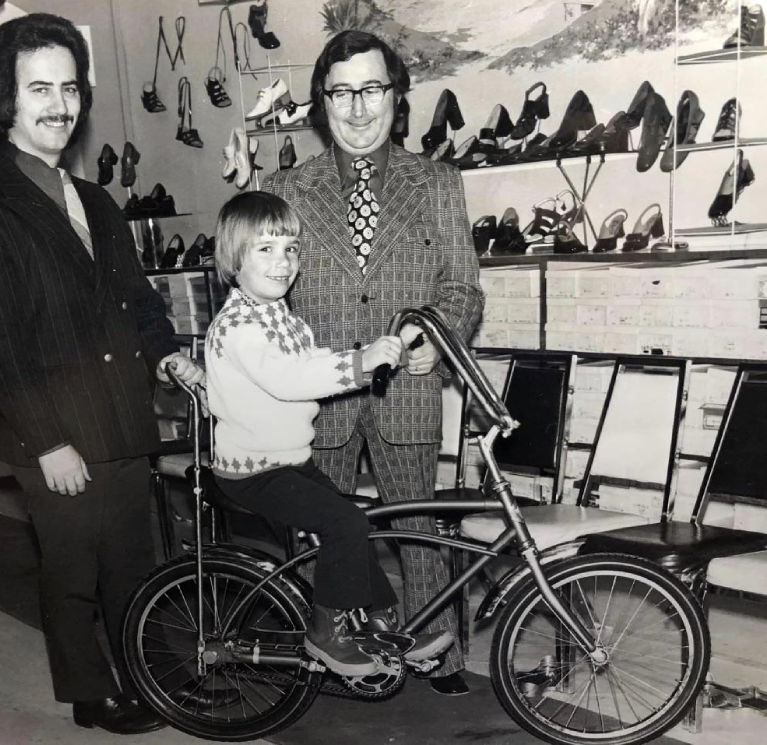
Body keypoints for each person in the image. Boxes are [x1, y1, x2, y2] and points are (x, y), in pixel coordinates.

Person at [0, 13, 201, 735]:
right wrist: (50, 439)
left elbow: (138, 301)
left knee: (133, 564)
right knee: (74, 574)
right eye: (39, 89)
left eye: (70, 87)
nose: (59, 104)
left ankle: (155, 673)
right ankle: (91, 693)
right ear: (6, 101)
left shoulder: (96, 201)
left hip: (118, 415)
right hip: (54, 432)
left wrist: (169, 354)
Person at [262, 30, 484, 695]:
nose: (358, 109)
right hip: (319, 394)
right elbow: (262, 294)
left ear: (396, 96)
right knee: (314, 532)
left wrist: (434, 341)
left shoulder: (439, 183)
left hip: (406, 390)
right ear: (321, 103)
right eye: (341, 93)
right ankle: (328, 651)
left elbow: (462, 287)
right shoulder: (286, 189)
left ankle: (437, 655)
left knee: (417, 527)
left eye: (372, 89)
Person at [204, 190, 454, 677]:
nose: (283, 262)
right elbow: (288, 379)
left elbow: (308, 361)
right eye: (266, 249)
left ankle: (379, 624)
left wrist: (368, 351)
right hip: (253, 469)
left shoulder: (279, 315)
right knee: (345, 524)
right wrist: (361, 365)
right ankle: (327, 634)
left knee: (355, 524)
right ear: (233, 259)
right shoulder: (238, 325)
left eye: (291, 249)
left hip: (289, 460)